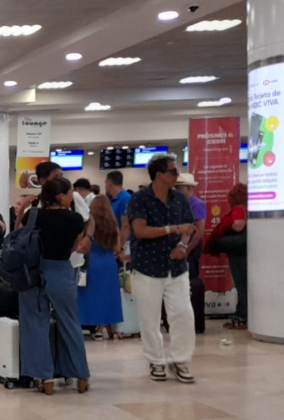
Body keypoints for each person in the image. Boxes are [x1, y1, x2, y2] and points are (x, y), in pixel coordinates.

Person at [126, 153, 198, 383]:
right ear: (159, 175)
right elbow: (139, 230)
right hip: (147, 267)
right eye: (173, 171)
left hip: (176, 267)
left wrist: (183, 245)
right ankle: (156, 361)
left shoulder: (179, 198)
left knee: (183, 315)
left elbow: (189, 227)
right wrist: (173, 229)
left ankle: (179, 360)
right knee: (149, 318)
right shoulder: (140, 199)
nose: (177, 175)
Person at [20, 178, 92, 394]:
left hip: (33, 274)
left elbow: (19, 237)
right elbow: (74, 246)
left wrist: (24, 207)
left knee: (35, 324)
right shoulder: (74, 219)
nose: (72, 196)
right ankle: (80, 375)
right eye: (70, 192)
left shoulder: (32, 215)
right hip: (61, 271)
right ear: (61, 196)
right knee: (70, 323)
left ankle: (45, 378)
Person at [78, 193, 124, 339]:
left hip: (90, 262)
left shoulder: (89, 224)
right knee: (106, 296)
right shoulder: (113, 224)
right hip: (108, 264)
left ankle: (82, 324)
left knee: (88, 296)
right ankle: (100, 330)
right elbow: (117, 248)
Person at [206, 184, 250, 330]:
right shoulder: (250, 210)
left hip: (237, 252)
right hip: (248, 251)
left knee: (241, 284)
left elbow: (238, 225)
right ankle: (244, 315)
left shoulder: (238, 209)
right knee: (246, 285)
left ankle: (242, 317)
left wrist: (227, 225)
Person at [176, 173, 208, 334]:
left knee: (191, 283)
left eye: (179, 187)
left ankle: (195, 322)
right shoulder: (179, 204)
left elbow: (199, 231)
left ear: (188, 188)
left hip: (191, 247)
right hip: (181, 246)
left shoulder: (196, 204)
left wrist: (187, 249)